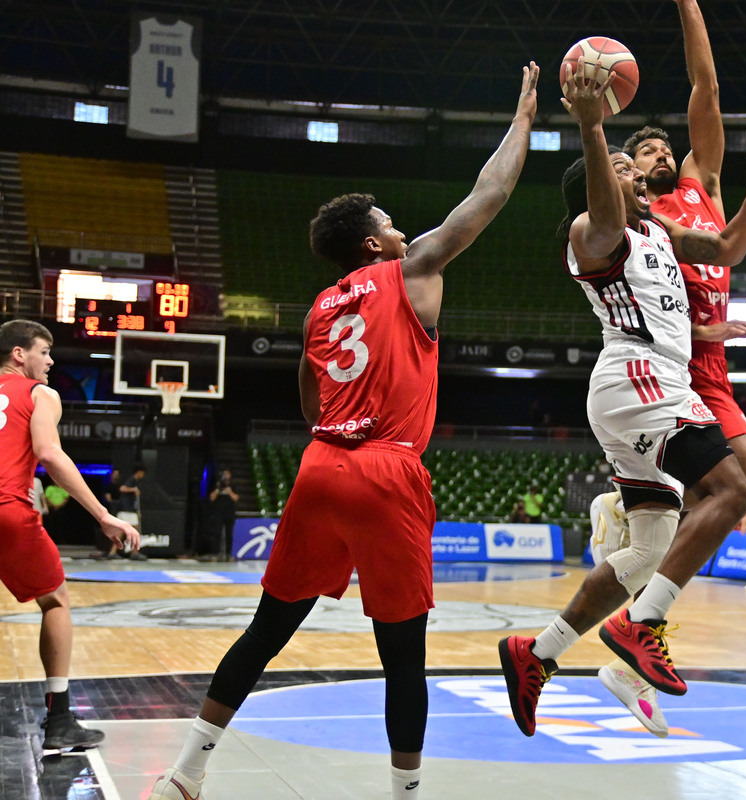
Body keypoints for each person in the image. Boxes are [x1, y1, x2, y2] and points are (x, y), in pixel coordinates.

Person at [148, 62, 539, 800]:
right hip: (387, 468)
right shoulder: (413, 268)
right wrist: (522, 120)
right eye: (388, 224)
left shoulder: (321, 308)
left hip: (322, 462)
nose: (399, 230)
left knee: (266, 632)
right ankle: (406, 794)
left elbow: (307, 389)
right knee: (404, 660)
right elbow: (489, 194)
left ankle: (186, 773)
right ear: (372, 246)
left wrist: (337, 428)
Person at [498, 65, 746, 741]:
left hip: (654, 385)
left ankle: (537, 653)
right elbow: (605, 205)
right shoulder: (592, 234)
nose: (637, 173)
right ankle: (643, 623)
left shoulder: (660, 232)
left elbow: (726, 246)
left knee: (647, 547)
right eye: (626, 168)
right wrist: (590, 124)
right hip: (638, 381)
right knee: (736, 485)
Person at [619, 0, 746, 497]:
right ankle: (646, 510)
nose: (663, 153)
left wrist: (688, 6)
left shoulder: (701, 188)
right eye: (648, 151)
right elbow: (641, 311)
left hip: (712, 361)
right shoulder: (636, 218)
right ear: (631, 169)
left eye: (666, 148)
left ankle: (639, 512)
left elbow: (704, 89)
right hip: (669, 356)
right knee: (743, 475)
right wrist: (710, 328)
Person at [0, 320, 140, 754]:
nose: (51, 360)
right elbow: (48, 453)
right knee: (55, 600)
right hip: (6, 509)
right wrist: (103, 515)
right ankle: (59, 720)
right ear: (20, 354)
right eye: (44, 351)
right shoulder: (41, 393)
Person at [204, 469, 240, 560]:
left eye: (227, 474)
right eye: (224, 474)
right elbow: (211, 498)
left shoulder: (233, 485)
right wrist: (217, 490)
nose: (226, 476)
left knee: (229, 533)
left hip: (229, 513)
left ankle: (228, 554)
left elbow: (236, 498)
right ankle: (215, 553)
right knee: (217, 532)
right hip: (218, 513)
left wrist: (229, 491)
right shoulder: (217, 485)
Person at [117, 463, 149, 560]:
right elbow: (122, 488)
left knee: (122, 532)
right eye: (142, 474)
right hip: (128, 510)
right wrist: (133, 490)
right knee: (135, 531)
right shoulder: (132, 480)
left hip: (129, 510)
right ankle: (134, 553)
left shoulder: (136, 481)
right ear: (139, 472)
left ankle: (113, 552)